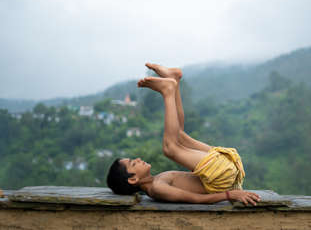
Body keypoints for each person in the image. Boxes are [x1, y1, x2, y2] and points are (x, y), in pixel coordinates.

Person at [107, 63, 260, 206]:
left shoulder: (157, 179)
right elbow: (197, 199)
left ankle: (174, 81)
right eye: (133, 163)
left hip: (223, 168)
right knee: (169, 149)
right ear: (133, 179)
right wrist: (229, 195)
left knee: (179, 135)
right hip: (220, 177)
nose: (139, 159)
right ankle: (168, 91)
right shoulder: (157, 189)